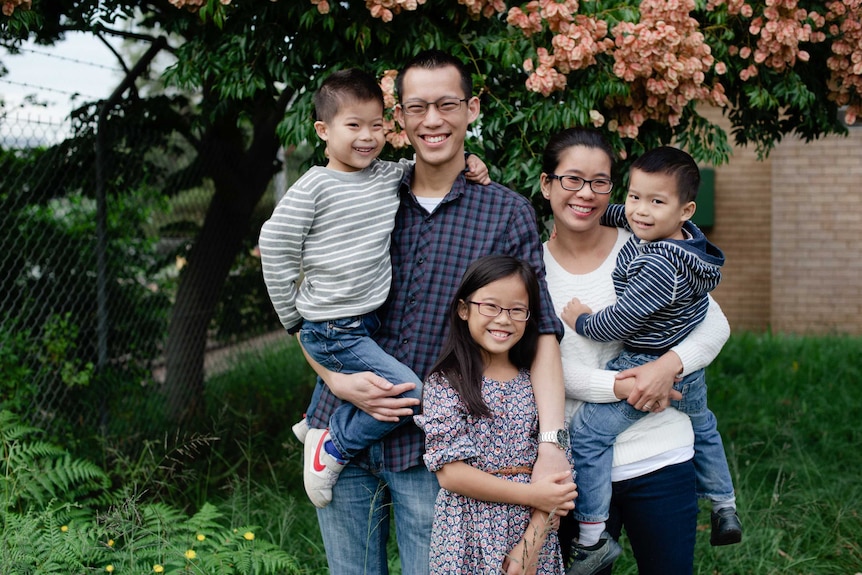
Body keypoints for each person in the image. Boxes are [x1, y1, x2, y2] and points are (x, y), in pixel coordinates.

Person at [296, 51, 571, 575]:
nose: (433, 120)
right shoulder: (364, 193)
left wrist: (551, 442)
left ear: (471, 108)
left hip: (439, 447)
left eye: (447, 104)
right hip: (341, 430)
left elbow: (541, 333)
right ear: (399, 118)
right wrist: (334, 377)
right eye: (417, 107)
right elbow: (313, 307)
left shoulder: (504, 211)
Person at [258, 68, 490, 509]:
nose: (367, 137)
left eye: (376, 126)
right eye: (353, 126)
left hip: (363, 322)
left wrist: (471, 161)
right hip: (332, 326)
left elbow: (429, 166)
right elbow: (272, 245)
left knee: (378, 384)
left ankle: (315, 423)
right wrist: (292, 317)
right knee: (410, 392)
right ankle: (333, 447)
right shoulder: (315, 186)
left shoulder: (387, 176)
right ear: (323, 131)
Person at [539, 128, 732, 575]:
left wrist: (668, 365)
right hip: (574, 471)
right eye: (571, 180)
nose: (585, 194)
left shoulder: (648, 245)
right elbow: (535, 366)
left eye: (600, 181)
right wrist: (623, 385)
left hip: (661, 457)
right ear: (547, 184)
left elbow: (714, 322)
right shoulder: (531, 266)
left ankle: (723, 501)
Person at [416, 254, 577, 575]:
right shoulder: (446, 383)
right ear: (464, 309)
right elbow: (451, 473)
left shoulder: (536, 384)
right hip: (465, 532)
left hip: (531, 530)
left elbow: (558, 481)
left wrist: (528, 549)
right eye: (490, 306)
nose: (504, 319)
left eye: (517, 310)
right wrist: (534, 494)